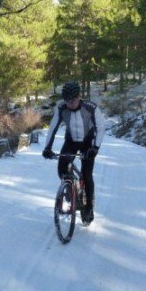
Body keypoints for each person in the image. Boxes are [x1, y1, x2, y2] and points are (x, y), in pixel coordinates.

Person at [42, 81, 104, 224]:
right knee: (61, 169)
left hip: (88, 142)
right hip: (70, 142)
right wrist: (47, 148)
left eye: (73, 100)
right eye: (67, 100)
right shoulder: (61, 108)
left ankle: (88, 208)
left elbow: (100, 128)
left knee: (87, 175)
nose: (70, 103)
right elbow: (53, 127)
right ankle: (70, 187)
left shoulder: (90, 107)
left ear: (79, 96)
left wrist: (95, 148)